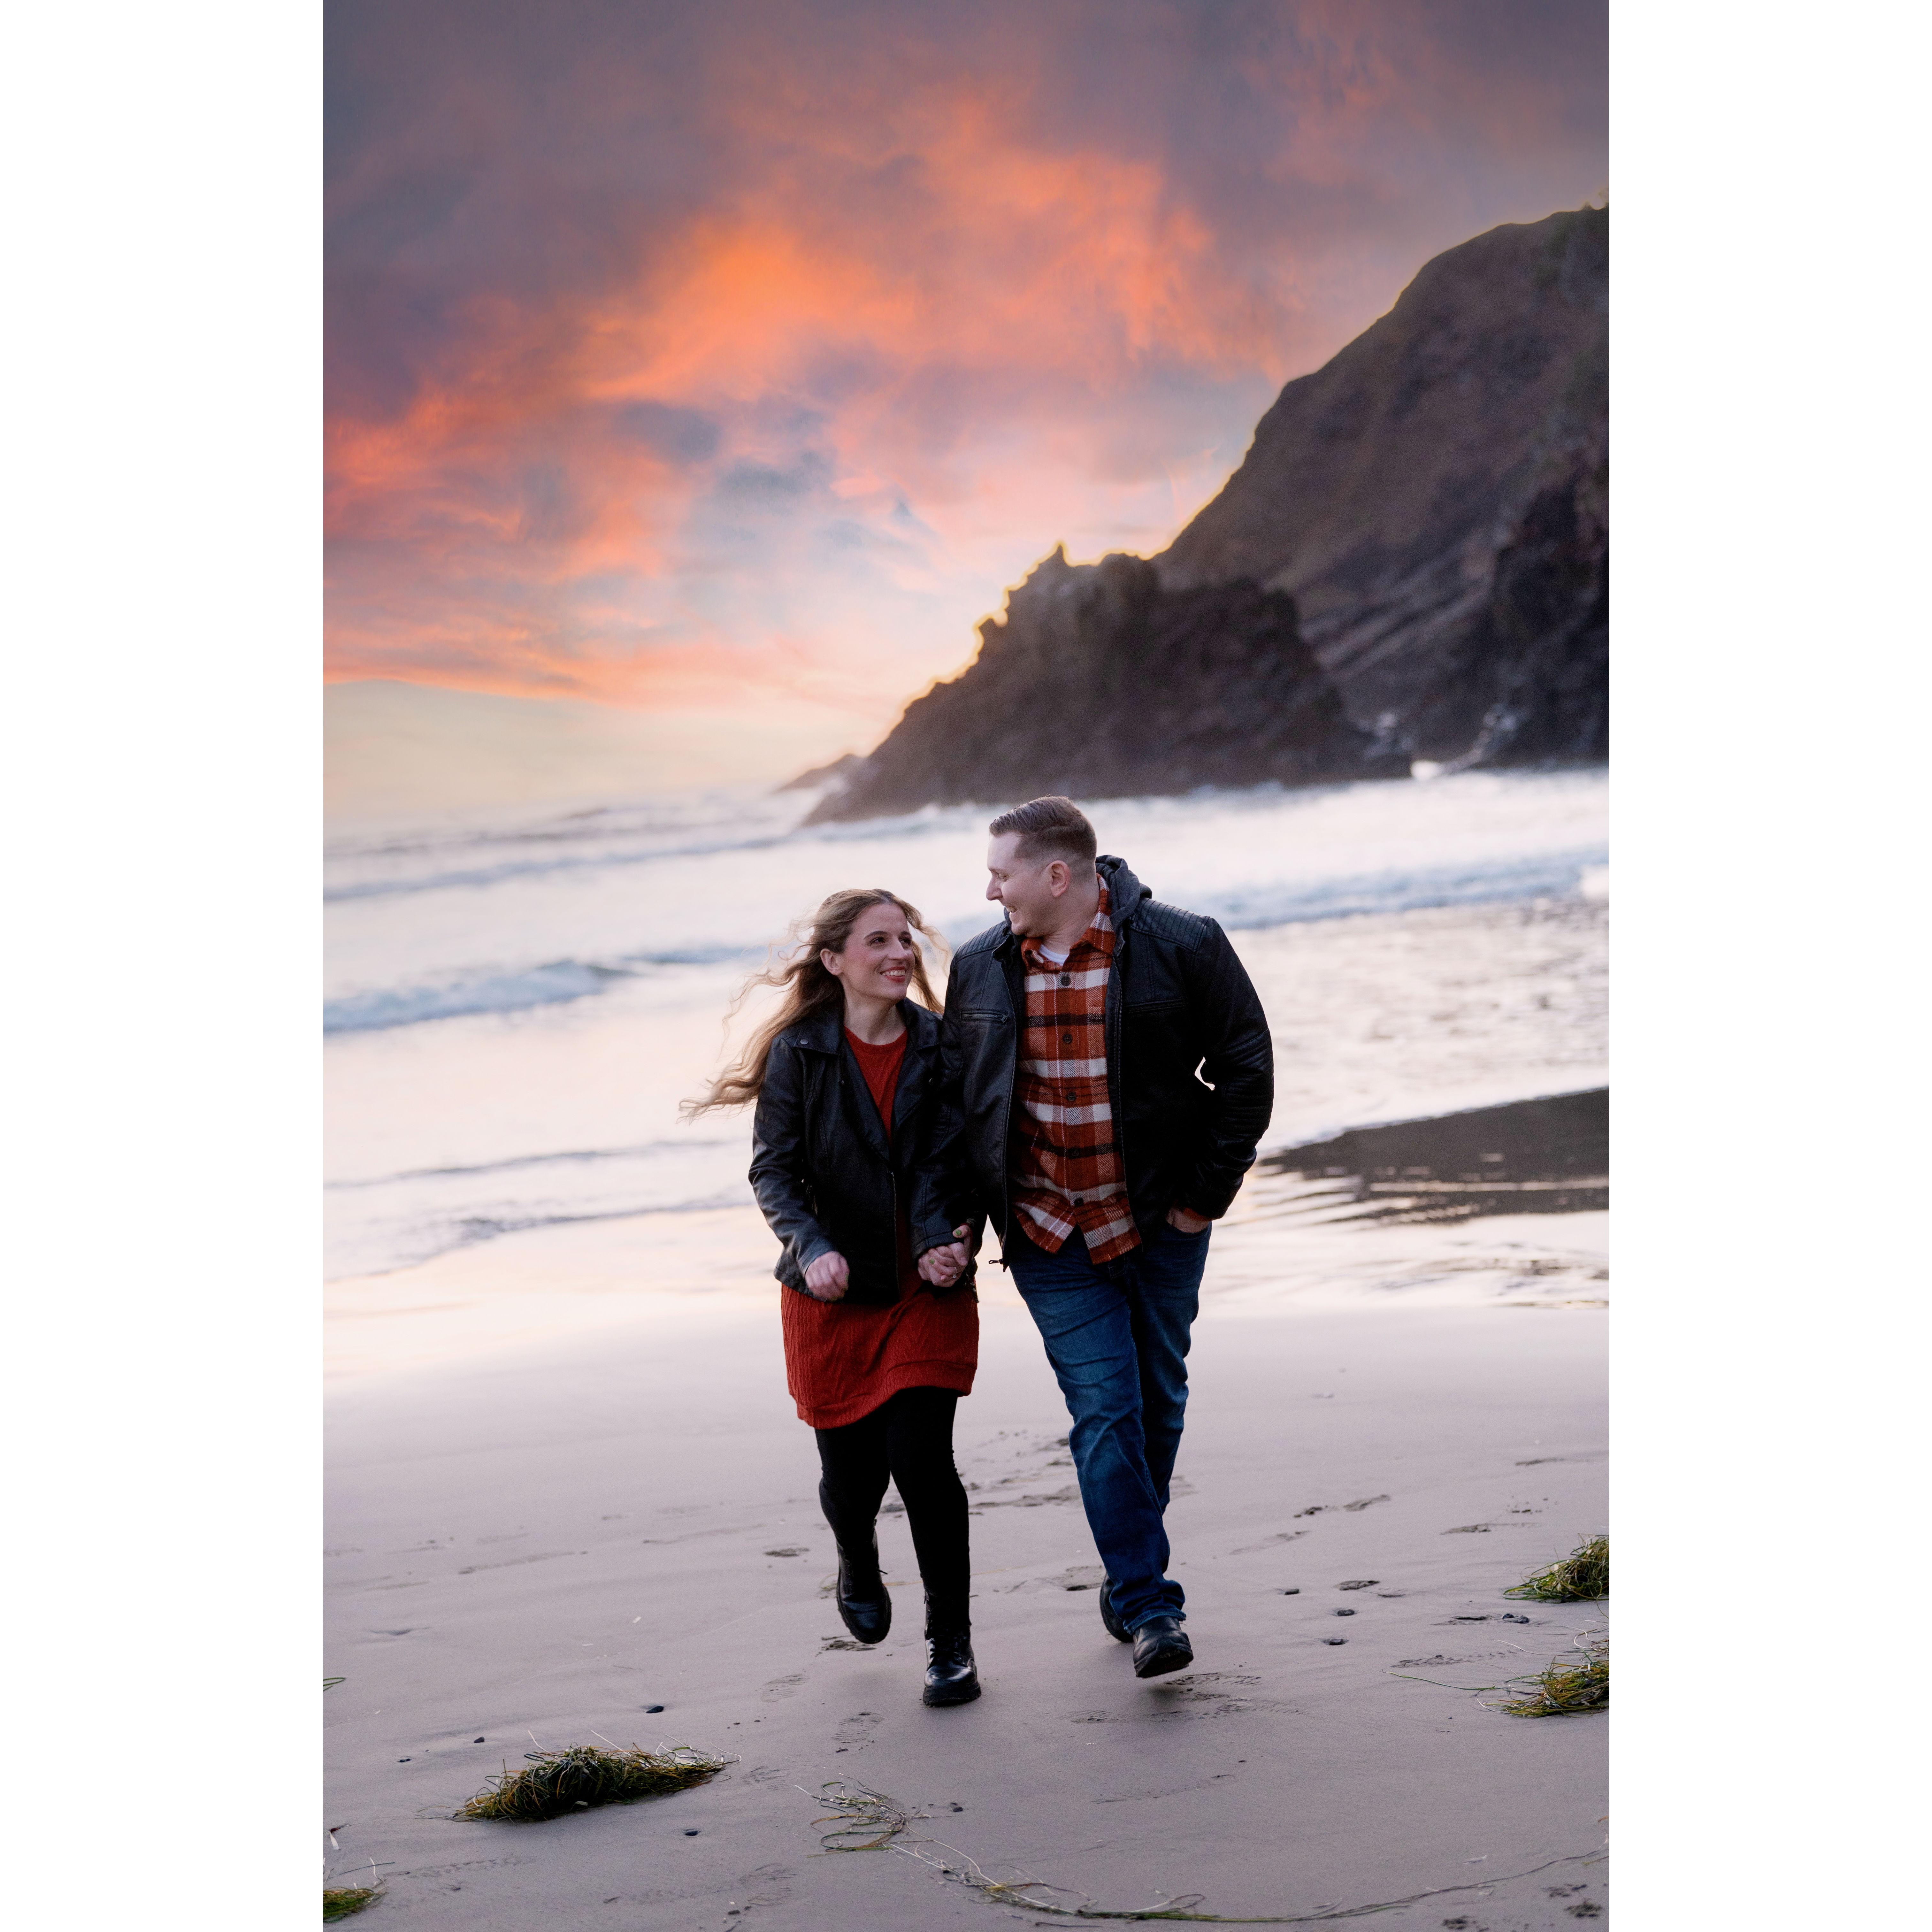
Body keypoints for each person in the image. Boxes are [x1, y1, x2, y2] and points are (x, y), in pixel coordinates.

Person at [936, 797, 1273, 1679]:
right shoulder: (977, 969)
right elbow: (954, 1105)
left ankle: (1127, 1574)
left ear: (1057, 876)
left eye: (1000, 872)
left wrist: (1205, 1197)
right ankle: (1153, 1606)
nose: (987, 888)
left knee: (1158, 1398)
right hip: (1048, 1233)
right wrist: (957, 1223)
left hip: (1161, 1219)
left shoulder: (1182, 942)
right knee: (1105, 1410)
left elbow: (1245, 1064)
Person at [687, 889, 982, 1707]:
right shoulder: (799, 1053)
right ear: (834, 961)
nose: (900, 954)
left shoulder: (941, 1048)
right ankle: (856, 1554)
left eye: (907, 939)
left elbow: (962, 1165)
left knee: (924, 1464)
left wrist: (958, 1237)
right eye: (879, 941)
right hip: (832, 1297)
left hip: (926, 1286)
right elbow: (773, 1173)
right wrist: (810, 1248)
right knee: (852, 1481)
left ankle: (950, 1648)